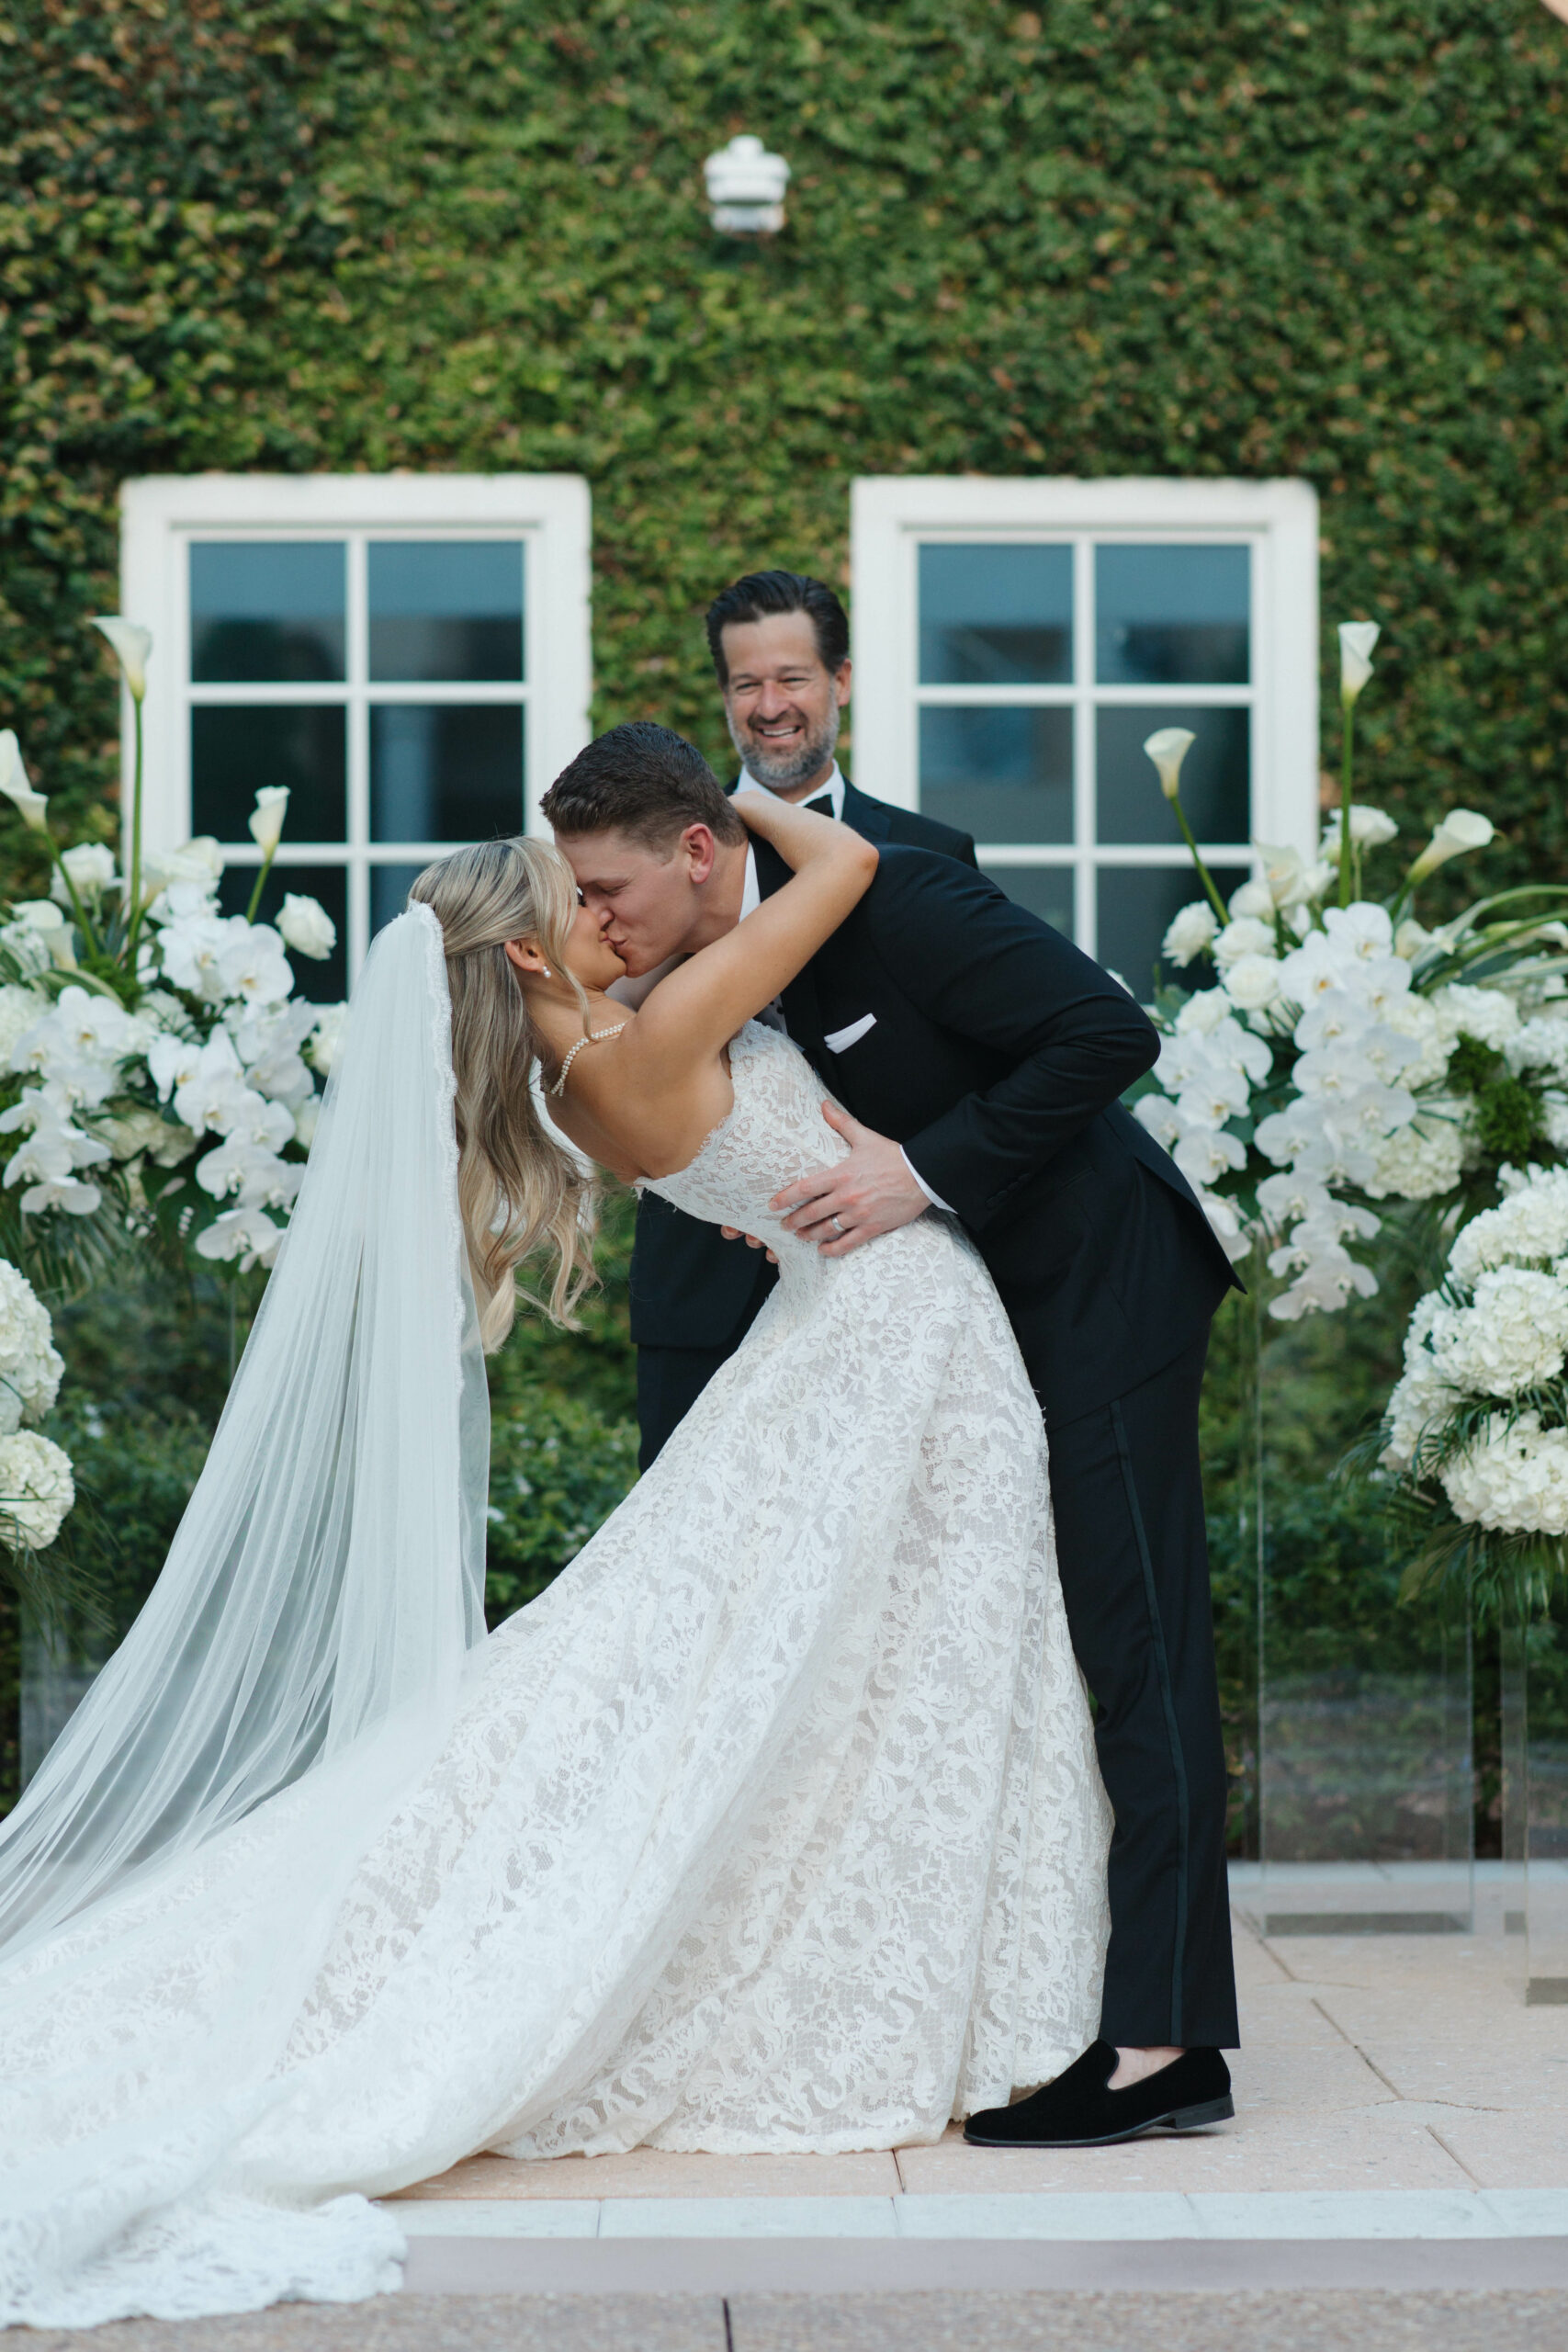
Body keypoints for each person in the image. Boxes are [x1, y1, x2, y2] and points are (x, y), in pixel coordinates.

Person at [0, 788, 1111, 2331]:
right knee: (879, 1665)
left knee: (835, 1676)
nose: (606, 911)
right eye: (570, 900)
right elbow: (847, 864)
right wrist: (701, 799)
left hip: (848, 1339)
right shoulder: (648, 1040)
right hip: (887, 1340)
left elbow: (739, 1131)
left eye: (606, 887)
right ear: (521, 957)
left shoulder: (588, 1068)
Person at [546, 724, 1244, 2154]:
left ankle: (1167, 2048)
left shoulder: (906, 903)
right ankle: (1056, 1990)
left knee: (1134, 1640)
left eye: (608, 887)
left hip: (1095, 1281)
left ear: (697, 852)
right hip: (955, 1322)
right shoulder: (703, 971)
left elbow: (1108, 1032)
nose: (595, 919)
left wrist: (920, 1177)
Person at [630, 568, 976, 1472]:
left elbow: (971, 1063)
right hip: (701, 1277)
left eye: (793, 679)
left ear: (842, 682)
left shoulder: (932, 855)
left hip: (880, 1266)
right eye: (747, 683)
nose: (770, 705)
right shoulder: (660, 853)